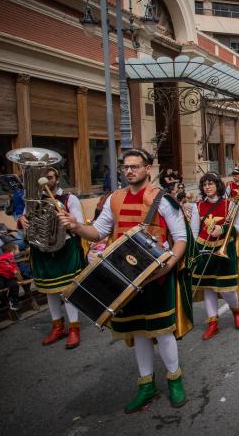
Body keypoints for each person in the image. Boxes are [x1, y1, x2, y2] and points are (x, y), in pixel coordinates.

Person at [58, 149, 192, 413]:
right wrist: (75, 226)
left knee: (162, 331)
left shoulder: (163, 200)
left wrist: (167, 268)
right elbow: (97, 233)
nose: (129, 170)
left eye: (135, 166)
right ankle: (146, 385)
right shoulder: (114, 199)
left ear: (147, 169)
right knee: (138, 332)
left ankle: (175, 379)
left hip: (156, 277)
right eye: (125, 167)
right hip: (122, 277)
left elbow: (181, 238)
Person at [18, 166, 85, 348]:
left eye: (50, 177)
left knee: (67, 289)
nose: (47, 181)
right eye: (44, 178)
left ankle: (74, 328)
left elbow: (78, 224)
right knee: (50, 289)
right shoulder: (33, 200)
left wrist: (66, 217)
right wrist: (22, 220)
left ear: (57, 179)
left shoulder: (69, 198)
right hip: (41, 249)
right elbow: (27, 221)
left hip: (65, 247)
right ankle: (57, 326)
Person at [189, 172, 239, 341]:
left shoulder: (230, 204)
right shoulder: (197, 206)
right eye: (205, 184)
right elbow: (193, 230)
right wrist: (193, 251)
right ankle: (212, 322)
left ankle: (236, 310)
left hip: (224, 249)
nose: (207, 187)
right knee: (208, 287)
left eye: (210, 184)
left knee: (227, 288)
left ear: (217, 185)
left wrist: (223, 229)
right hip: (203, 248)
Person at [0, 241, 20, 310]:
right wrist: (13, 270)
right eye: (18, 249)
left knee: (14, 285)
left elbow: (12, 265)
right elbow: (3, 263)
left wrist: (14, 269)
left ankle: (14, 302)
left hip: (9, 277)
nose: (19, 251)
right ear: (13, 250)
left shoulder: (11, 257)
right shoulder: (7, 256)